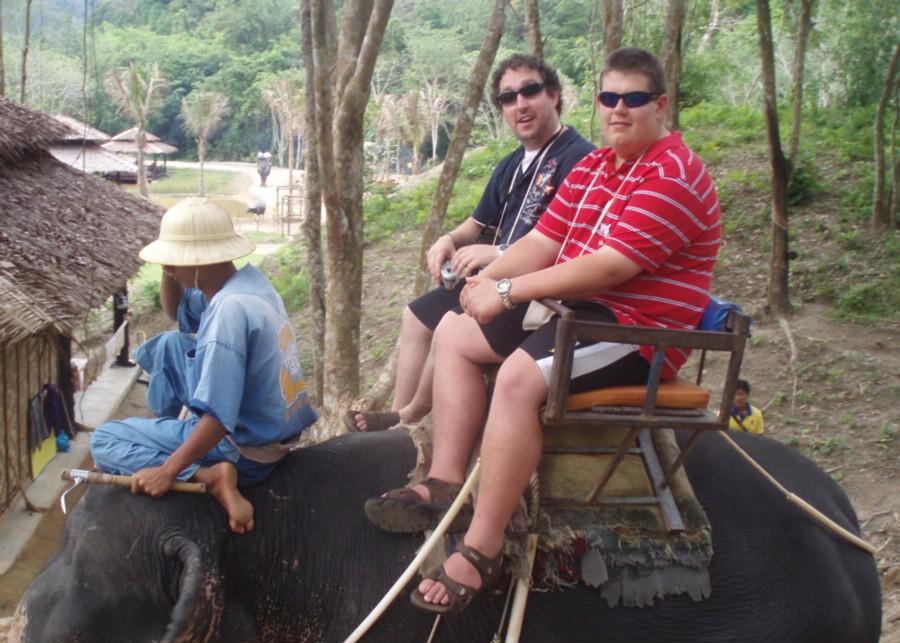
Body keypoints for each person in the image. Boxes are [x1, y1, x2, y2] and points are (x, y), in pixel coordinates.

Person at [365, 47, 722, 613]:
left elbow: (610, 267)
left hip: (634, 330)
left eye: (633, 98)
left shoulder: (673, 174)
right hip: (575, 312)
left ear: (660, 105)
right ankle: (446, 480)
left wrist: (508, 291)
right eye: (609, 97)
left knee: (517, 378)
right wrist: (483, 282)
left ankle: (482, 548)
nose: (619, 109)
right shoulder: (595, 167)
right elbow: (542, 241)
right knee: (454, 332)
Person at [344, 54, 594, 433]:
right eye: (508, 97)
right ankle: (396, 422)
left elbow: (570, 246)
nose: (520, 104)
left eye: (530, 91)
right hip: (492, 278)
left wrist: (496, 253)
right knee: (417, 316)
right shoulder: (511, 164)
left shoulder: (579, 159)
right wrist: (448, 239)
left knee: (452, 323)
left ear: (554, 95)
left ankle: (412, 415)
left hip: (532, 292)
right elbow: (475, 224)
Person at [90, 197, 317, 533]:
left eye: (175, 261)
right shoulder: (248, 285)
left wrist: (168, 470)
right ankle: (169, 430)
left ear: (198, 260)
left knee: (105, 439)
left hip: (244, 450)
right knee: (170, 344)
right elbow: (176, 310)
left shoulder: (227, 314)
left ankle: (209, 474)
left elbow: (219, 418)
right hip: (269, 426)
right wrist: (170, 263)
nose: (169, 269)